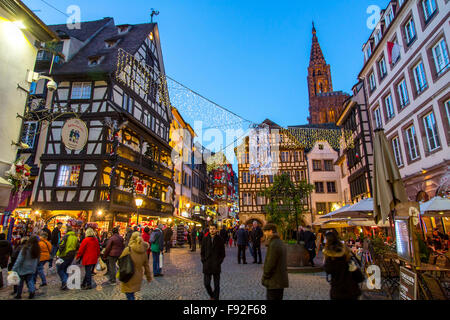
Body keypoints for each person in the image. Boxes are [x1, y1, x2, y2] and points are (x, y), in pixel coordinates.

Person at [323, 231, 361, 300]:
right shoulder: (346, 255)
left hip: (338, 291)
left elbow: (327, 269)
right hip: (351, 290)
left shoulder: (330, 258)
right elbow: (360, 277)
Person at [119, 232, 152, 300]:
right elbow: (146, 266)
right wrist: (149, 277)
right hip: (138, 275)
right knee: (131, 293)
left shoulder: (128, 249)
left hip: (128, 274)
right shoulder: (144, 251)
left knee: (129, 294)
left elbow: (120, 261)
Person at [261, 223, 289, 300]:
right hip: (279, 280)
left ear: (270, 231)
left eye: (265, 231)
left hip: (274, 280)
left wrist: (265, 277)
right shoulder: (280, 242)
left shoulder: (274, 244)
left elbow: (270, 264)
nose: (264, 234)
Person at [201, 224, 225, 300]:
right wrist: (204, 261)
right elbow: (202, 251)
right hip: (207, 265)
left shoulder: (220, 239)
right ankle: (212, 295)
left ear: (216, 229)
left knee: (217, 285)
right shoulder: (205, 238)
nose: (212, 230)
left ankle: (216, 298)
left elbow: (223, 253)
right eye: (211, 228)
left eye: (213, 229)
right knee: (206, 284)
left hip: (216, 265)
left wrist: (219, 262)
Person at [56, 225, 78, 290]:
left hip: (64, 255)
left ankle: (65, 282)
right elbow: (77, 246)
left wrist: (57, 254)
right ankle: (64, 283)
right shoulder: (75, 237)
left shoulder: (66, 236)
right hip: (72, 255)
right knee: (65, 268)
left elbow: (62, 246)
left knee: (59, 268)